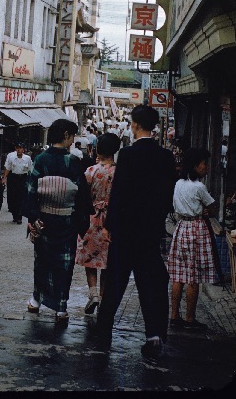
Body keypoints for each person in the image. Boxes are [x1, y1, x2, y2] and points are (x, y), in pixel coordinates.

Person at [96, 105, 177, 358]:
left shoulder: (128, 155)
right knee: (151, 283)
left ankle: (103, 334)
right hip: (151, 231)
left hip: (125, 230)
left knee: (115, 284)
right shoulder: (165, 157)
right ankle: (154, 335)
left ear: (135, 125)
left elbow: (118, 193)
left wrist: (109, 226)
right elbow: (167, 195)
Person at [21, 119, 94, 323]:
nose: (72, 140)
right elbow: (81, 196)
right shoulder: (73, 162)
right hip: (67, 221)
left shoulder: (40, 160)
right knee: (64, 264)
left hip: (43, 220)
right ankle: (61, 308)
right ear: (65, 136)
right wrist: (81, 222)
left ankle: (36, 300)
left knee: (42, 261)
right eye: (71, 135)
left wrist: (33, 217)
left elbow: (31, 190)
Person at [167, 148, 219, 331]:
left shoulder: (179, 183)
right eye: (204, 163)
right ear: (196, 165)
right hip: (196, 229)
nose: (206, 167)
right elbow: (213, 209)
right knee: (193, 277)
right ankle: (189, 318)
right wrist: (205, 211)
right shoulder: (199, 187)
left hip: (181, 229)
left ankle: (174, 316)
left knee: (178, 276)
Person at [75, 133, 121, 314]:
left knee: (91, 259)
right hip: (112, 220)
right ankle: (103, 298)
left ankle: (93, 294)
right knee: (107, 262)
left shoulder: (91, 171)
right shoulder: (120, 173)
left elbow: (81, 196)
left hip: (92, 218)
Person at [2, 141, 33, 224]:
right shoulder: (11, 157)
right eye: (17, 148)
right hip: (13, 178)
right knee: (12, 197)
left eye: (20, 148)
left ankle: (19, 216)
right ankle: (14, 215)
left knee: (21, 198)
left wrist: (31, 180)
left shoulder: (27, 158)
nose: (18, 150)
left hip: (23, 178)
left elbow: (30, 170)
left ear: (23, 149)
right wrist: (4, 178)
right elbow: (8, 168)